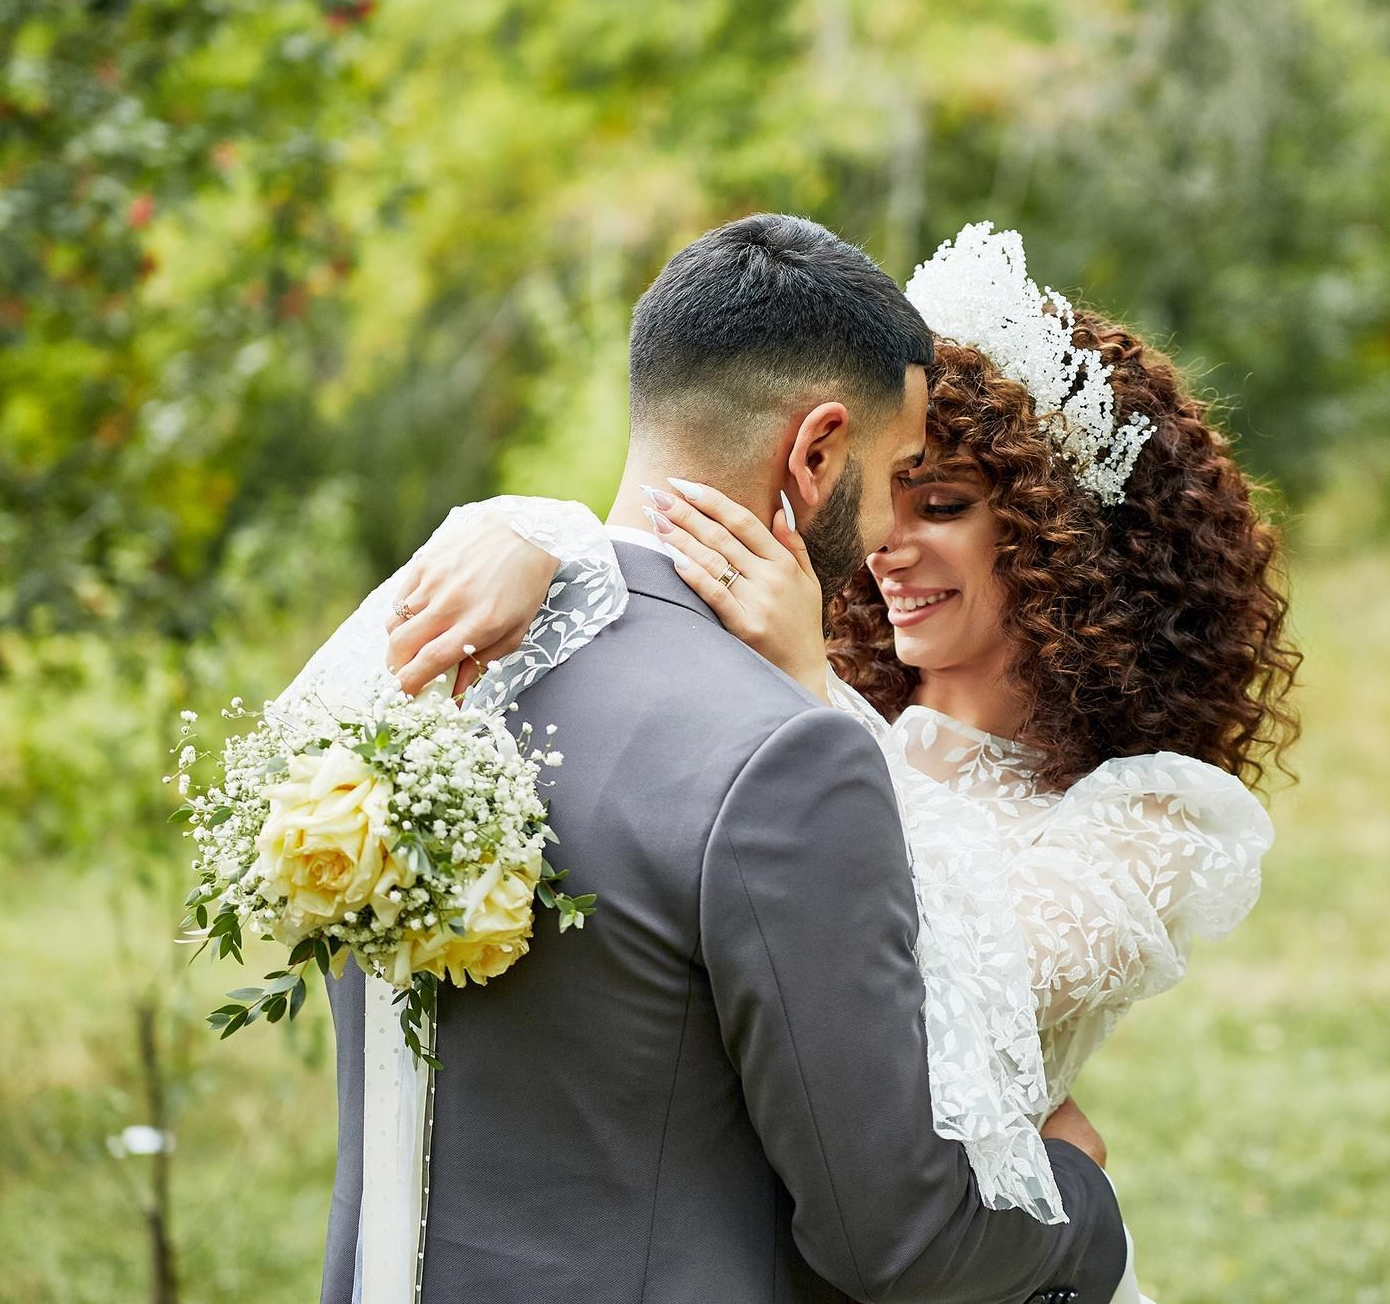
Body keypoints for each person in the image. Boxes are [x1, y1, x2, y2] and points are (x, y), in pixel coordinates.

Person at [389, 224, 1302, 1300]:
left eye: (946, 505)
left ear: (1069, 542)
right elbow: (648, 541)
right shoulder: (826, 697)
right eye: (892, 492)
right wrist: (527, 530)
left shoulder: (1152, 813)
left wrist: (804, 683)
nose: (886, 544)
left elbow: (937, 980)